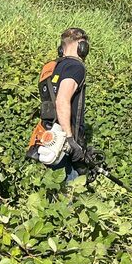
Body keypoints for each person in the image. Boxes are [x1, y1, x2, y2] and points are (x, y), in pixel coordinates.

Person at [34, 27, 90, 181]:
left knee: (51, 184)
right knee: (70, 188)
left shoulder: (51, 67)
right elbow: (62, 100)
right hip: (63, 139)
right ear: (82, 47)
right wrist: (70, 139)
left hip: (47, 133)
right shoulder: (76, 67)